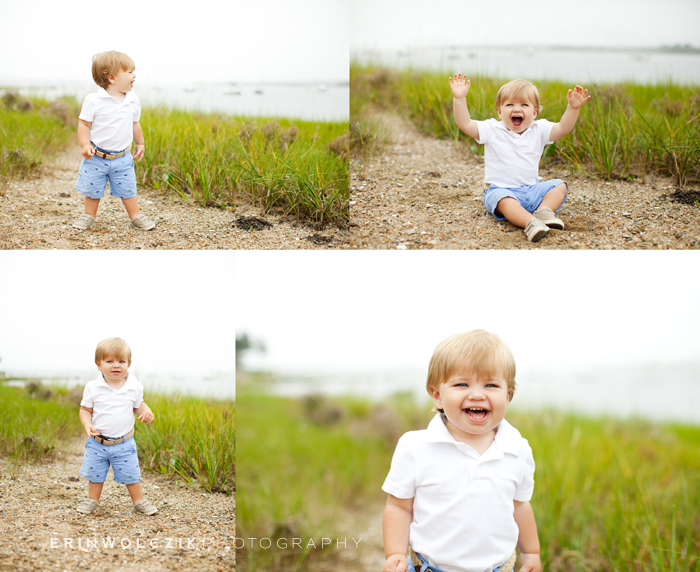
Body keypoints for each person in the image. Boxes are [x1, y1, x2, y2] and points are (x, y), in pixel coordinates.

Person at [382, 330, 541, 572]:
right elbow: (399, 506)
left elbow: (520, 506)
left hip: (498, 568)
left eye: (491, 384)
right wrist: (395, 553)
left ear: (507, 395)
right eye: (461, 384)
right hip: (432, 567)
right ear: (437, 396)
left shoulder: (517, 449)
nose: (477, 394)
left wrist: (531, 553)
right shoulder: (416, 447)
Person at [449, 75, 591, 242]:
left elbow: (562, 128)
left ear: (535, 112)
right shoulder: (492, 129)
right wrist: (459, 99)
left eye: (524, 104)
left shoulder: (539, 129)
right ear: (500, 112)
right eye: (510, 104)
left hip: (530, 190)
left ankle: (543, 211)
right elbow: (465, 124)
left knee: (559, 186)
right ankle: (530, 223)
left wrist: (572, 109)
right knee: (505, 202)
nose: (517, 109)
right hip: (500, 190)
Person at [72, 51, 155, 231]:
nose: (134, 75)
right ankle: (88, 216)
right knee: (92, 189)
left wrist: (140, 143)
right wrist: (85, 145)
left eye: (134, 71)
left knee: (128, 189)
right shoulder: (94, 100)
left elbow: (135, 123)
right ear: (112, 78)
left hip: (123, 157)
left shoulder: (133, 99)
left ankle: (136, 216)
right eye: (130, 72)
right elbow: (84, 124)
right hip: (97, 156)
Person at [76, 337, 157, 515]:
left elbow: (138, 405)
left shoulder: (134, 386)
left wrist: (146, 411)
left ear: (129, 364)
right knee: (95, 474)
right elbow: (85, 409)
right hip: (98, 442)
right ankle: (92, 501)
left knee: (131, 475)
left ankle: (139, 502)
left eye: (122, 361)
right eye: (110, 361)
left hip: (124, 442)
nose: (116, 365)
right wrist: (87, 423)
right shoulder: (93, 387)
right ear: (99, 364)